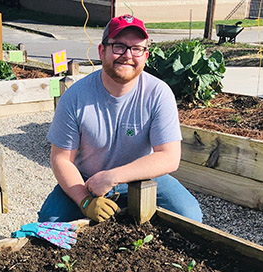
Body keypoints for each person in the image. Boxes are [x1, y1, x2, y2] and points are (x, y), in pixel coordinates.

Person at [38, 14, 203, 223]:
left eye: (137, 49)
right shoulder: (75, 97)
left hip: (142, 177)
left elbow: (169, 157)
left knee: (189, 215)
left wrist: (112, 177)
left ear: (145, 55)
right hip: (88, 179)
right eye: (118, 46)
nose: (127, 55)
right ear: (102, 50)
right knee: (49, 222)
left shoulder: (159, 93)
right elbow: (61, 159)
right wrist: (85, 201)